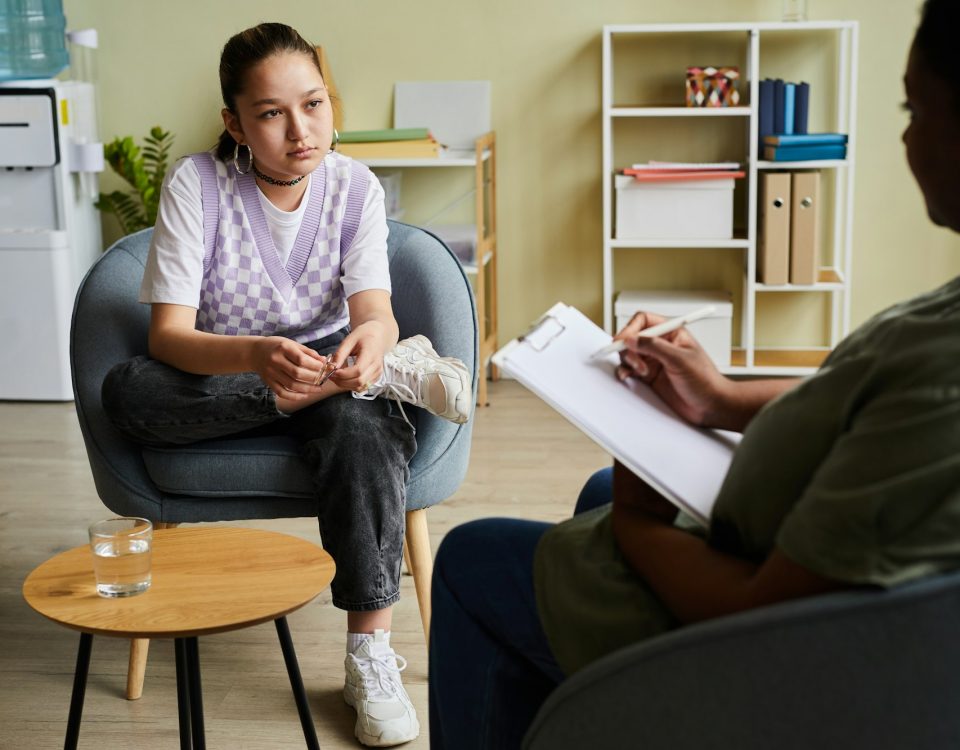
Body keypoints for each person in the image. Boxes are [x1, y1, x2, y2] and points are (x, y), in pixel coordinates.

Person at [428, 1, 960, 747]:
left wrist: (644, 524)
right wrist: (721, 397)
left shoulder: (946, 388)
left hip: (754, 655)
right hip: (773, 541)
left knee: (470, 556)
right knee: (599, 492)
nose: (905, 132)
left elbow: (764, 621)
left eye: (916, 105)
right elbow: (866, 406)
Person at [101, 22, 471, 747]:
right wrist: (258, 360)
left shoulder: (354, 186)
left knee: (364, 431)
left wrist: (376, 343)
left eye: (314, 104)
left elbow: (376, 314)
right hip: (229, 383)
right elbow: (168, 338)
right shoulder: (198, 185)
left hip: (330, 381)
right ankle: (375, 383)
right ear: (234, 123)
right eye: (271, 114)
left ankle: (370, 657)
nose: (301, 131)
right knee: (128, 393)